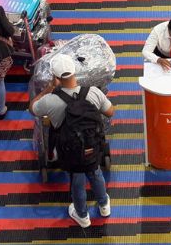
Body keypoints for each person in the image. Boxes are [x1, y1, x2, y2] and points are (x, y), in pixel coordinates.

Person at [30, 53, 113, 228]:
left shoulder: (50, 101)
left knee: (77, 179)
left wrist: (48, 89)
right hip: (92, 144)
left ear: (55, 77)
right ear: (75, 71)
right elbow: (110, 112)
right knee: (95, 171)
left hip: (70, 149)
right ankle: (104, 204)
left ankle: (82, 215)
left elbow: (33, 109)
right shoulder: (93, 92)